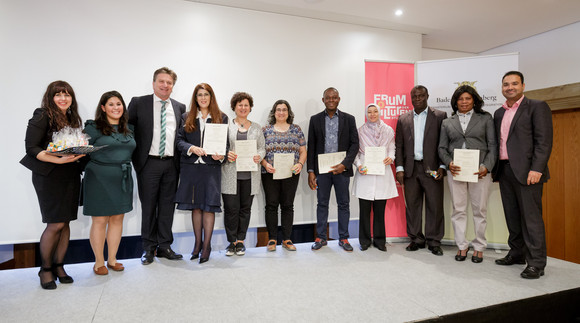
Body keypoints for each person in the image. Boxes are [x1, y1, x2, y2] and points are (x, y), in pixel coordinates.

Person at [20, 81, 84, 289]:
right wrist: (56, 160)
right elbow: (31, 147)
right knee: (55, 223)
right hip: (49, 175)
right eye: (58, 95)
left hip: (70, 174)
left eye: (67, 95)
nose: (63, 99)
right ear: (50, 97)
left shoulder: (72, 118)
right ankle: (45, 270)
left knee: (65, 223)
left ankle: (59, 266)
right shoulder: (42, 115)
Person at [492, 71, 553, 279]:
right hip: (505, 170)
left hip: (528, 172)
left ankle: (536, 262)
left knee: (531, 219)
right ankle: (517, 253)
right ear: (502, 88)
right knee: (512, 216)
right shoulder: (499, 113)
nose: (510, 87)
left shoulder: (536, 107)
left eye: (514, 84)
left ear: (523, 86)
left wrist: (537, 168)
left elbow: (543, 142)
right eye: (506, 84)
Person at [128, 67, 186, 265]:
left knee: (167, 207)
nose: (165, 85)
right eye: (161, 81)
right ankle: (148, 248)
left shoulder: (180, 107)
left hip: (171, 164)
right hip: (148, 163)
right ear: (154, 83)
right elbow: (128, 131)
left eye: (169, 82)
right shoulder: (138, 103)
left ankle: (165, 246)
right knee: (149, 207)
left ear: (173, 86)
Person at [438, 85, 496, 263]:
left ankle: (479, 247)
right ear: (455, 102)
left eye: (468, 99)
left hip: (479, 172)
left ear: (474, 101)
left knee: (480, 210)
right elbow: (441, 148)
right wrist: (449, 163)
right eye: (460, 99)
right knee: (459, 210)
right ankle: (461, 246)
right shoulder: (448, 122)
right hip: (456, 172)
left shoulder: (485, 118)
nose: (464, 102)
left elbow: (493, 145)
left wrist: (486, 166)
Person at [82, 91, 136, 275]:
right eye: (111, 104)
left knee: (117, 218)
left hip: (122, 177)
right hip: (98, 178)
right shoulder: (93, 127)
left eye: (119, 104)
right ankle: (98, 262)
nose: (116, 108)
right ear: (103, 108)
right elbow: (81, 151)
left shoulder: (129, 128)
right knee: (99, 220)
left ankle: (112, 259)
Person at [175, 83, 228, 264]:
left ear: (211, 97)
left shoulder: (221, 117)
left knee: (208, 206)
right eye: (199, 95)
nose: (203, 98)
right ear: (195, 98)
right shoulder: (186, 116)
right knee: (195, 206)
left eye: (206, 94)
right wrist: (191, 148)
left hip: (210, 168)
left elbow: (226, 145)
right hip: (190, 167)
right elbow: (179, 141)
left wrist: (221, 154)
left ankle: (207, 246)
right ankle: (197, 244)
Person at [395, 85, 447, 256]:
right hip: (410, 169)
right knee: (413, 206)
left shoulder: (440, 116)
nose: (417, 99)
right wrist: (400, 168)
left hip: (432, 168)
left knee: (435, 205)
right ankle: (416, 239)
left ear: (427, 96)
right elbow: (399, 145)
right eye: (414, 96)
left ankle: (433, 240)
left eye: (421, 96)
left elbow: (443, 144)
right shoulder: (403, 119)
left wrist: (442, 166)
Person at [307, 87, 359, 252]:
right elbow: (312, 147)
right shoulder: (314, 120)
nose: (331, 100)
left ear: (339, 99)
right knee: (322, 204)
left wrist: (345, 164)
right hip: (322, 170)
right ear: (323, 100)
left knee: (343, 204)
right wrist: (310, 171)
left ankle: (343, 237)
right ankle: (321, 237)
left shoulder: (349, 119)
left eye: (334, 97)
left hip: (341, 169)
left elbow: (355, 144)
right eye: (328, 98)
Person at [222, 92, 265, 256]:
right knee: (231, 209)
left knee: (245, 209)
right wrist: (227, 153)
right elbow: (221, 147)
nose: (243, 108)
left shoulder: (256, 128)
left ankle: (240, 242)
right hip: (230, 175)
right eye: (240, 105)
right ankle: (231, 242)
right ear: (234, 107)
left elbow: (262, 148)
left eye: (246, 105)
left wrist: (259, 156)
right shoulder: (227, 126)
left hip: (250, 176)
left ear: (250, 108)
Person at [260, 100, 307, 252]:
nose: (281, 112)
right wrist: (265, 164)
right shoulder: (265, 130)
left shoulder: (296, 129)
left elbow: (303, 151)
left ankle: (287, 239)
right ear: (274, 112)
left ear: (288, 112)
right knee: (271, 205)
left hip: (290, 173)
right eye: (278, 109)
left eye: (284, 109)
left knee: (288, 205)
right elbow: (259, 151)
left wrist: (300, 164)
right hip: (270, 173)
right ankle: (272, 239)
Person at [352, 103, 398, 252]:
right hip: (365, 172)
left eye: (375, 111)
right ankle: (364, 241)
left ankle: (380, 241)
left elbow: (392, 148)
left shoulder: (388, 131)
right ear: (366, 114)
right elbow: (355, 153)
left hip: (382, 171)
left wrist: (391, 157)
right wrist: (359, 165)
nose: (372, 114)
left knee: (380, 210)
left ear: (379, 113)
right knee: (364, 210)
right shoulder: (360, 131)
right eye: (369, 112)